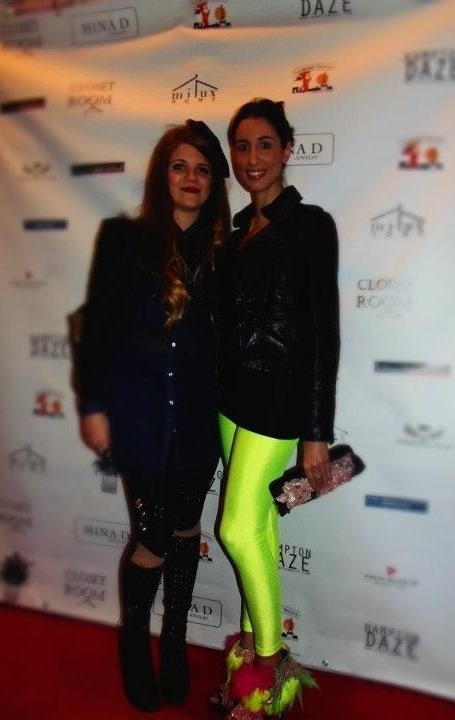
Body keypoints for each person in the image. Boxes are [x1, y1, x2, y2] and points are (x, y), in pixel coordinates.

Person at [75, 120, 230, 712]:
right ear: (162, 175)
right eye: (179, 166)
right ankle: (135, 644)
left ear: (213, 182)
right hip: (138, 416)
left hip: (198, 417)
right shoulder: (123, 238)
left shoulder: (224, 251)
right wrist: (92, 406)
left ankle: (175, 641)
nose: (191, 178)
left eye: (202, 169)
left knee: (187, 529)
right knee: (154, 535)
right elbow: (96, 329)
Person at [211, 98, 340, 719]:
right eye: (241, 146)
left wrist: (316, 431)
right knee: (257, 528)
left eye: (265, 144)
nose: (252, 158)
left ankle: (268, 669)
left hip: (279, 402)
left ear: (287, 150)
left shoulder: (311, 225)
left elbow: (323, 333)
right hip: (230, 401)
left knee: (234, 529)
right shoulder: (237, 233)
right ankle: (246, 661)